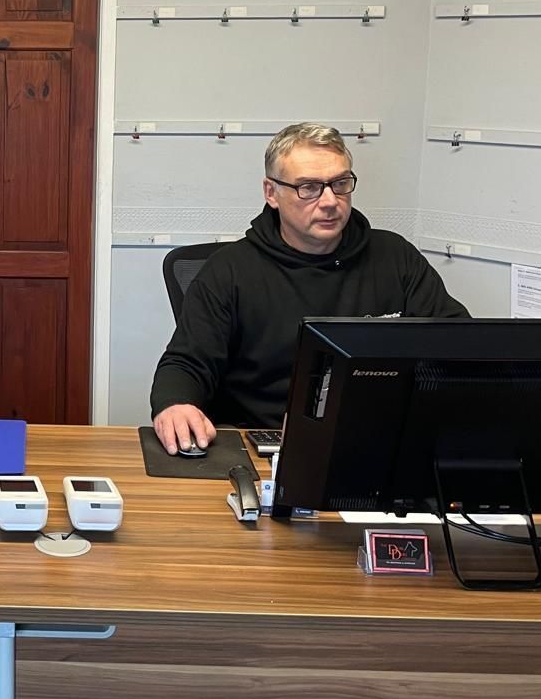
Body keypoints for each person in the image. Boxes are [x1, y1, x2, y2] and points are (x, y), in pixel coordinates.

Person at [150, 122, 469, 454]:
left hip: (379, 440)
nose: (330, 201)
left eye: (340, 183)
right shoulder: (229, 270)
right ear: (271, 193)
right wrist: (175, 404)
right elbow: (187, 363)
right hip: (265, 443)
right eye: (309, 188)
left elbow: (458, 343)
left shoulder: (395, 257)